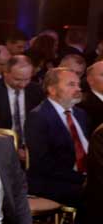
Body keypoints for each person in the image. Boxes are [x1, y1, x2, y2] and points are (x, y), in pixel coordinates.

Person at [25, 66, 89, 208]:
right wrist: (83, 178)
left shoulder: (81, 114)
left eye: (78, 84)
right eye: (71, 84)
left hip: (84, 177)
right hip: (53, 182)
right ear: (52, 89)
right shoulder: (38, 116)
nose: (78, 89)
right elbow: (43, 163)